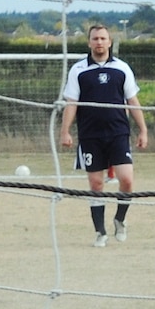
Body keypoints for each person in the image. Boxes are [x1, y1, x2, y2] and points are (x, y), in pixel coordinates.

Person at [58, 23, 147, 246]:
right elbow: (72, 103)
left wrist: (143, 130)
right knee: (96, 185)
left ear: (109, 42)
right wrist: (65, 131)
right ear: (89, 42)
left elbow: (132, 101)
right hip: (90, 136)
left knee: (126, 179)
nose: (99, 42)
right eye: (95, 39)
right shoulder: (78, 70)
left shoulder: (122, 68)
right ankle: (100, 232)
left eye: (103, 39)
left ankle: (120, 219)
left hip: (118, 133)